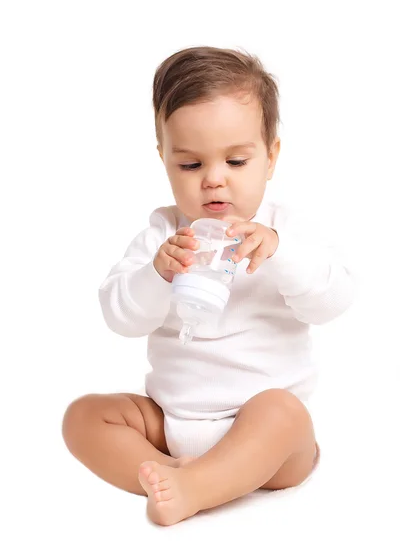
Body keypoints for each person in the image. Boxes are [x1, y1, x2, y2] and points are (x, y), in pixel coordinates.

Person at [62, 46, 355, 526]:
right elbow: (119, 316)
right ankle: (179, 474)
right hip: (174, 420)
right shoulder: (164, 234)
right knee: (83, 417)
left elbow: (334, 299)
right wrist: (158, 274)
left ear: (270, 156)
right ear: (164, 159)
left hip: (270, 443)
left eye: (237, 161)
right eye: (191, 166)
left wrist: (279, 253)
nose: (214, 181)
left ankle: (196, 486)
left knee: (282, 410)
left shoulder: (285, 232)